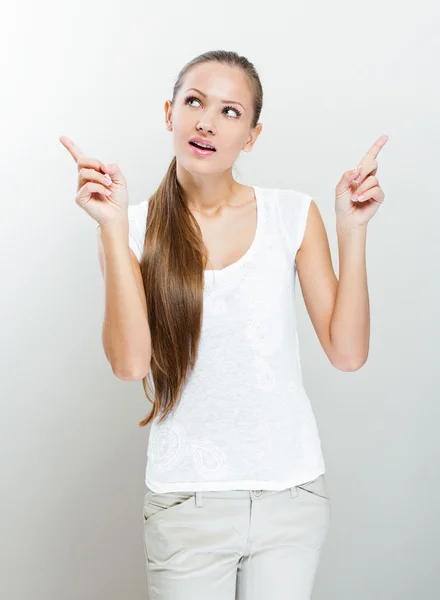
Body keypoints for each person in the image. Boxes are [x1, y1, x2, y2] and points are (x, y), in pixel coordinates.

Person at [60, 49, 387, 600]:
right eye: (194, 102)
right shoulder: (132, 227)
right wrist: (113, 228)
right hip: (187, 504)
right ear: (170, 113)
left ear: (252, 135)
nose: (207, 122)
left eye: (230, 111)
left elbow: (347, 353)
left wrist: (352, 231)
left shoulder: (292, 215)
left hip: (291, 496)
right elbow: (130, 364)